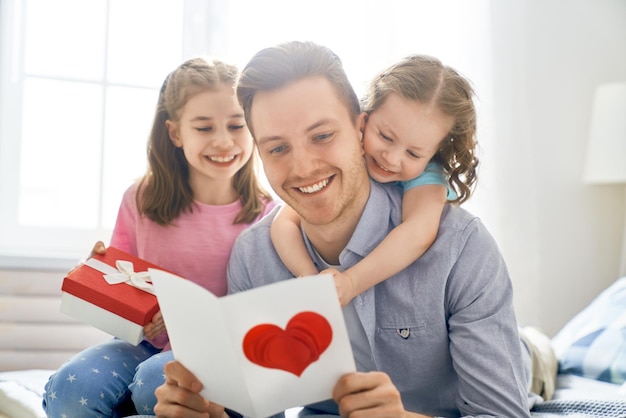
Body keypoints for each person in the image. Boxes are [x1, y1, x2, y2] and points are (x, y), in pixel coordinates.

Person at [154, 41, 534, 418]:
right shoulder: (255, 257)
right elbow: (254, 410)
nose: (302, 168)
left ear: (359, 125)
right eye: (277, 149)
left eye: (322, 136)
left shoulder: (459, 247)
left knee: (530, 357)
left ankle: (538, 351)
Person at [42, 57, 277, 418]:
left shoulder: (268, 213)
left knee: (156, 382)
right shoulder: (142, 199)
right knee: (72, 388)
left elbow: (266, 309)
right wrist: (97, 280)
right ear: (175, 133)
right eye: (203, 128)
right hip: (147, 344)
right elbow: (125, 294)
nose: (223, 141)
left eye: (236, 125)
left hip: (221, 353)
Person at [270, 54, 476, 307]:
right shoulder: (345, 152)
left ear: (434, 154)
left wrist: (351, 283)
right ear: (364, 119)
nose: (391, 158)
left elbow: (417, 234)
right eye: (385, 137)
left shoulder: (427, 176)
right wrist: (309, 277)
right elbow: (283, 223)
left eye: (413, 153)